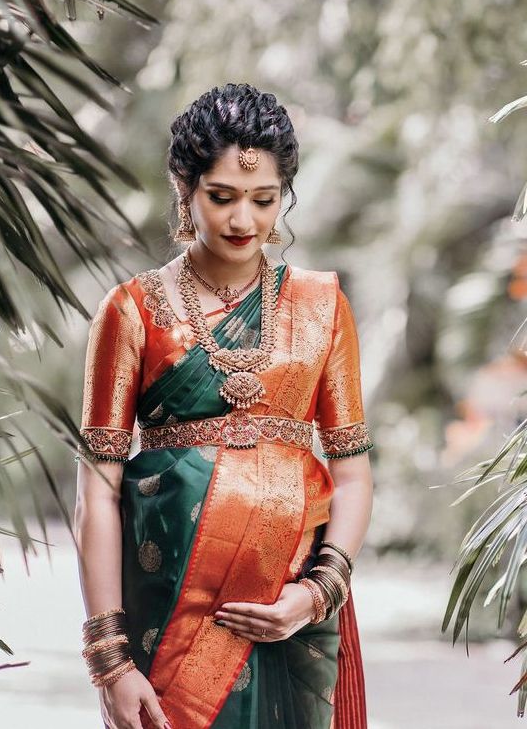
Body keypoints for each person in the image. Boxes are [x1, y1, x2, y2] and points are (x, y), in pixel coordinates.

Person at [74, 82, 374, 729]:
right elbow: (97, 489)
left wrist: (317, 592)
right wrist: (111, 659)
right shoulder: (130, 311)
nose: (244, 220)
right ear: (184, 189)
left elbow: (351, 471)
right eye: (222, 197)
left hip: (293, 610)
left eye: (264, 200)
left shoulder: (321, 307)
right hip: (167, 606)